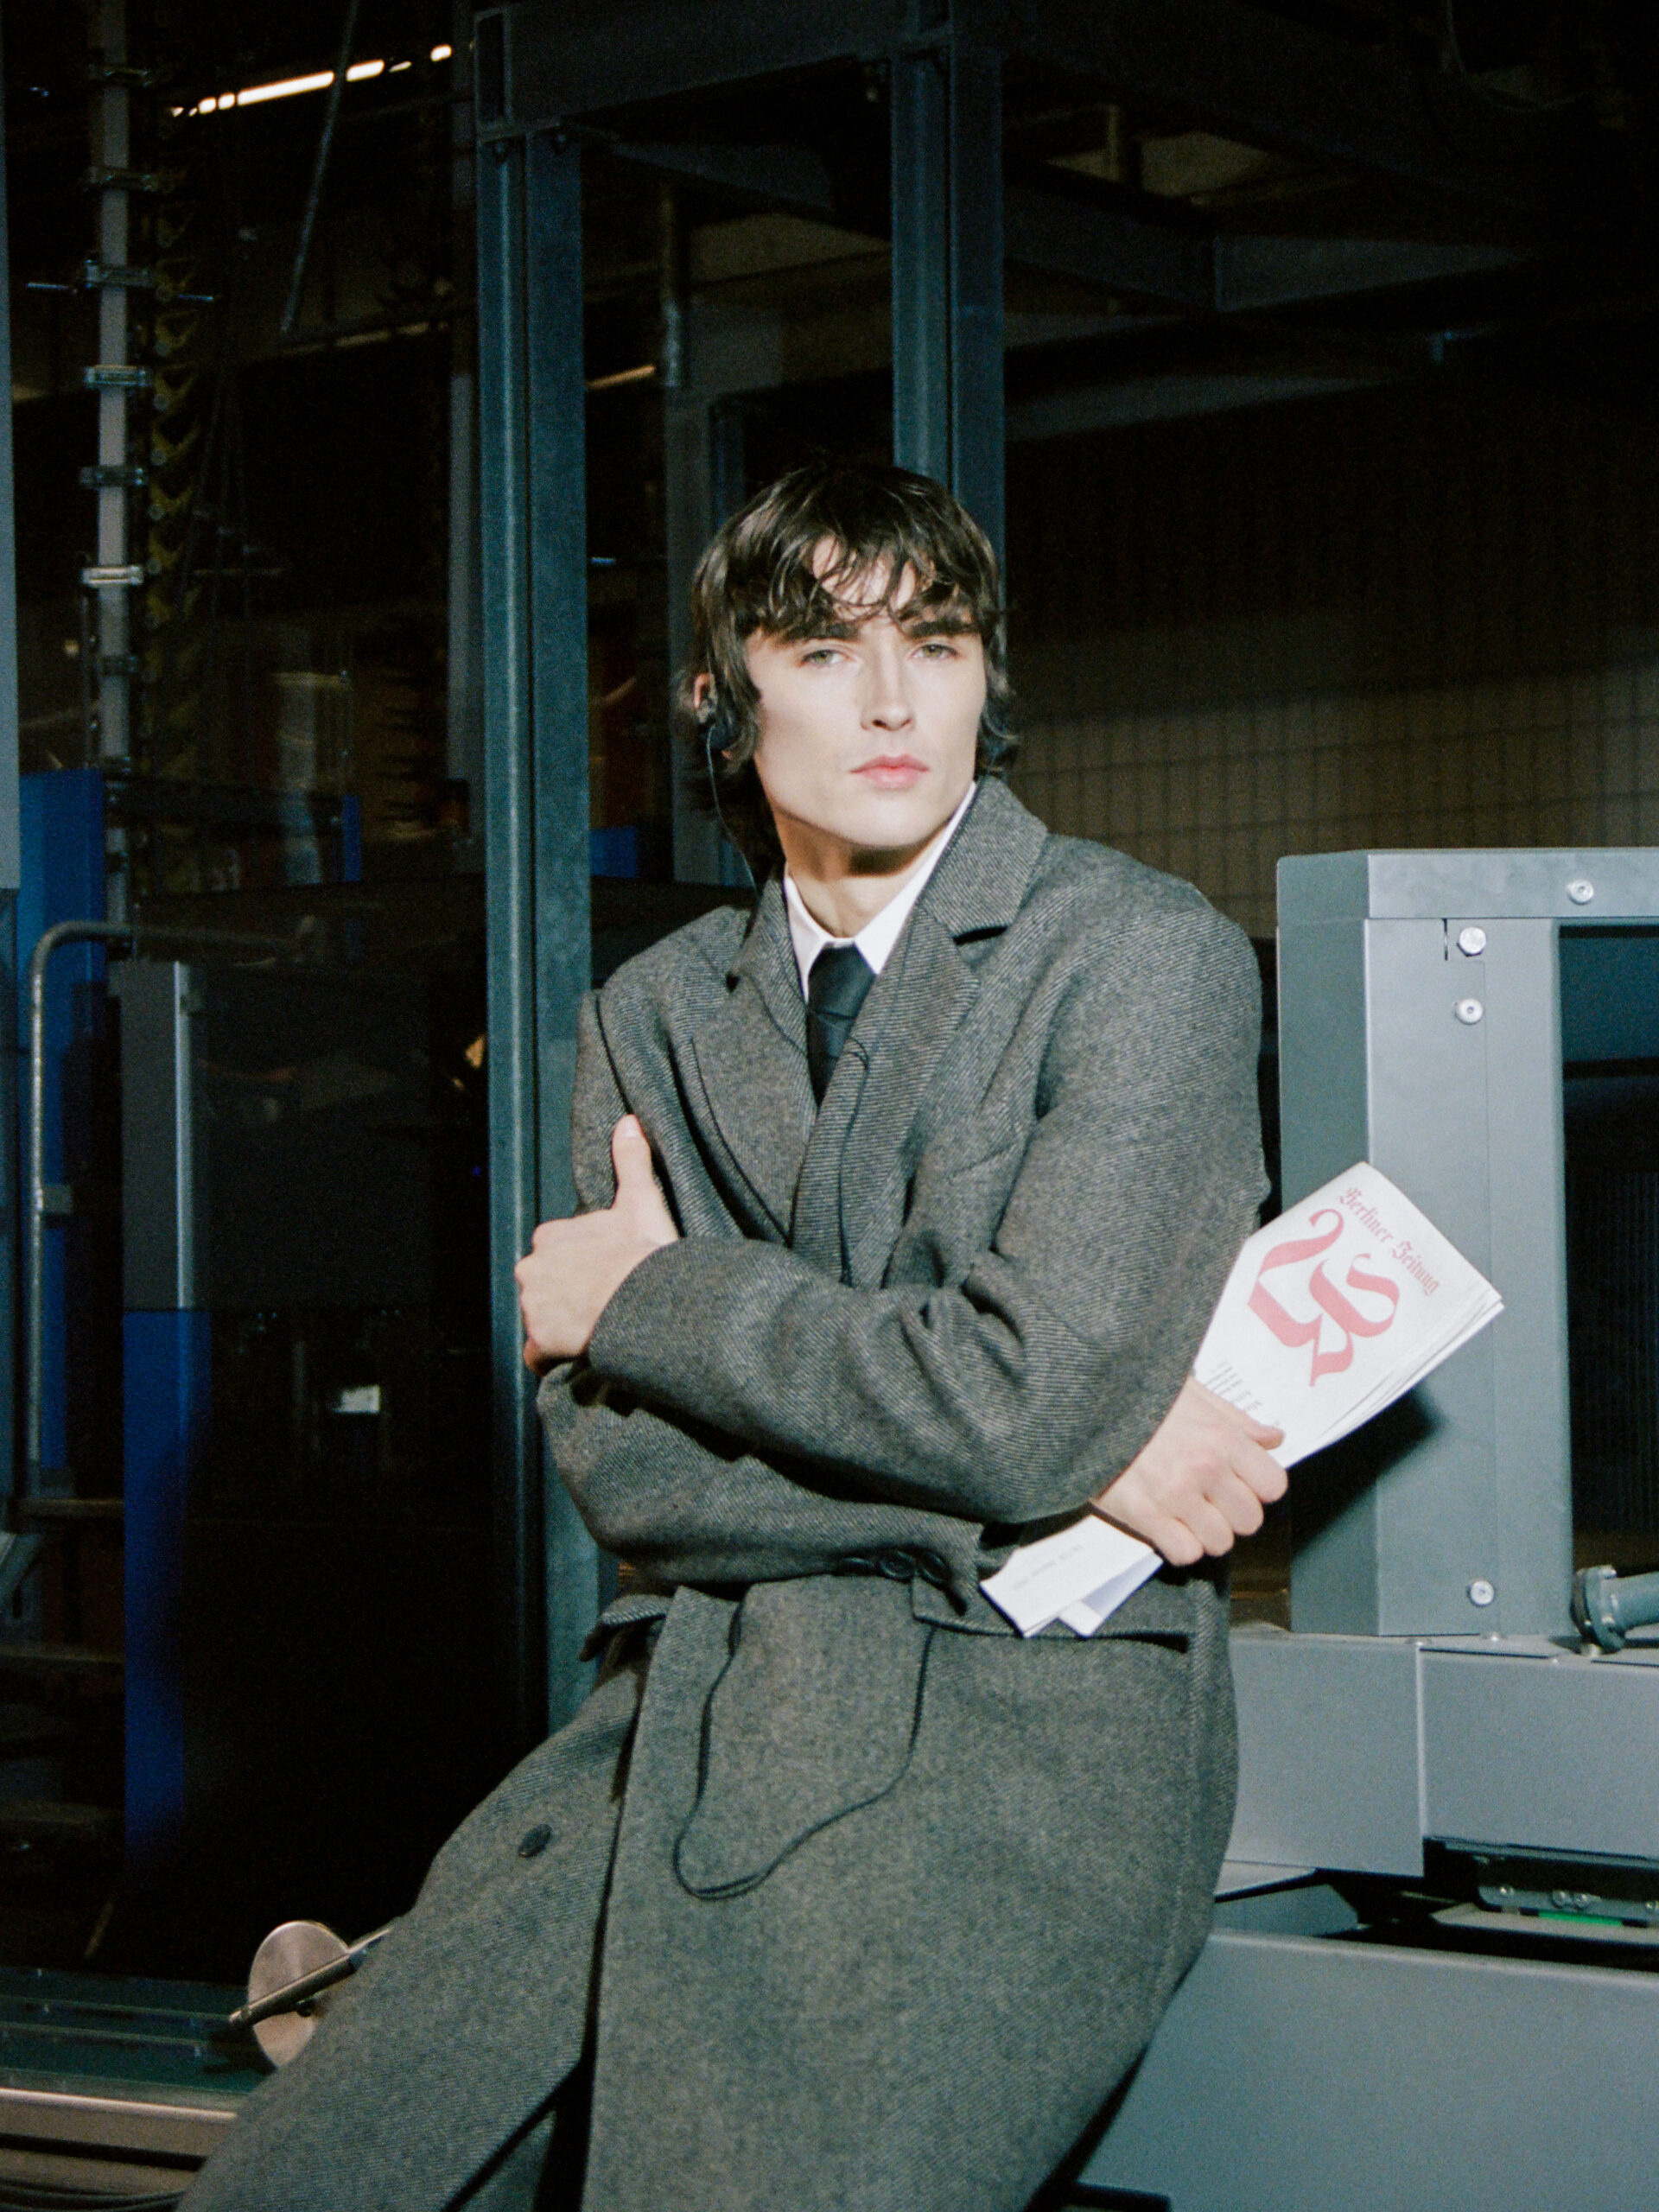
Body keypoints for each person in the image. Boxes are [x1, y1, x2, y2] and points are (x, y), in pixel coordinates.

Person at [181, 463, 1284, 2212]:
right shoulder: (653, 1012)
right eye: (826, 649)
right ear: (722, 693)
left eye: (939, 641)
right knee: (326, 2173)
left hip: (1015, 1743)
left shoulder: (1138, 957)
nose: (894, 698)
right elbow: (631, 1475)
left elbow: (1019, 1398)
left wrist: (650, 1299)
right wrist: (1027, 1485)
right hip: (687, 1709)